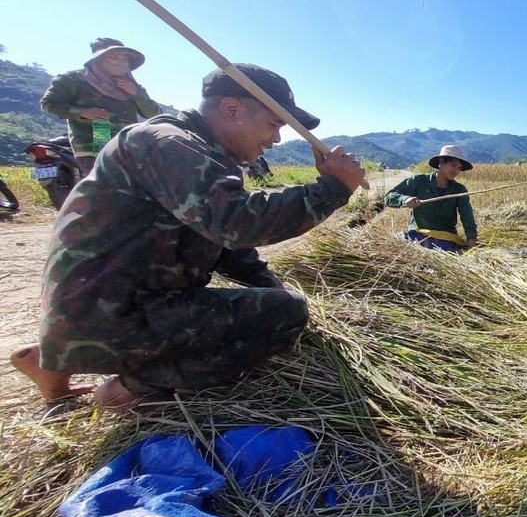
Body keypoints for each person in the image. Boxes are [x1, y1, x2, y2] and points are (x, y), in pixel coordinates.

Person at [11, 63, 366, 408]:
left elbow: (227, 246)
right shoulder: (167, 143)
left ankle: (54, 358)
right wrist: (332, 189)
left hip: (98, 306)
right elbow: (237, 223)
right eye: (274, 124)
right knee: (287, 316)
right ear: (231, 108)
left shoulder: (198, 151)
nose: (275, 139)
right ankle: (129, 389)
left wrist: (270, 286)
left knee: (274, 303)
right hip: (112, 311)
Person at [40, 38, 162, 177]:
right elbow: (49, 103)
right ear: (98, 59)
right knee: (103, 192)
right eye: (113, 57)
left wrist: (135, 93)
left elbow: (155, 114)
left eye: (124, 58)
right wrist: (83, 112)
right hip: (91, 149)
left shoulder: (131, 84)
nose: (120, 62)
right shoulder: (72, 80)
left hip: (127, 147)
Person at [384, 145, 478, 251]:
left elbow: (467, 215)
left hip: (446, 239)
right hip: (419, 235)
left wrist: (471, 238)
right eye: (453, 165)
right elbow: (389, 197)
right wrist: (405, 200)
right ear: (441, 162)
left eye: (459, 168)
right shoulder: (418, 181)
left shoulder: (459, 190)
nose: (456, 170)